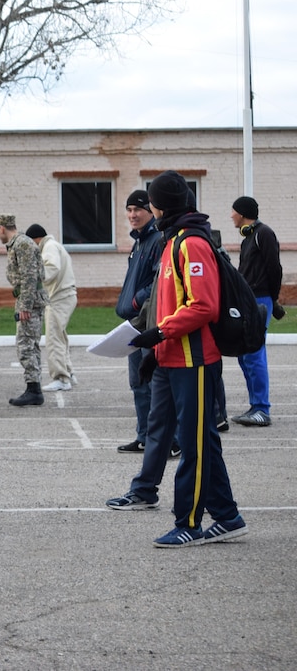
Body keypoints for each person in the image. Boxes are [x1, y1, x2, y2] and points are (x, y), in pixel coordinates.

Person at [123, 170, 247, 547]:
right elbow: (168, 305)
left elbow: (203, 306)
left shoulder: (191, 243)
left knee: (193, 447)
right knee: (204, 442)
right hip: (173, 358)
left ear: (161, 206)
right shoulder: (172, 240)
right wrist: (156, 353)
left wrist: (159, 334)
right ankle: (227, 517)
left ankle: (189, 524)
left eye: (152, 203)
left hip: (193, 361)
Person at [114, 190, 165, 453]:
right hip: (133, 323)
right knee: (138, 383)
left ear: (150, 211)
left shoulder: (157, 239)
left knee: (155, 383)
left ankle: (166, 441)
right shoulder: (139, 242)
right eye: (129, 209)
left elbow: (157, 282)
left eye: (138, 209)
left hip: (148, 321)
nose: (132, 215)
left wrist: (136, 302)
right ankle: (144, 436)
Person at [229, 196, 282, 427]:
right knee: (245, 354)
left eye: (233, 211)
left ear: (242, 213)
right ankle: (255, 406)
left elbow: (275, 268)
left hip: (260, 299)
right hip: (249, 299)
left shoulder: (264, 234)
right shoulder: (248, 237)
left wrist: (272, 298)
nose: (231, 215)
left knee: (254, 353)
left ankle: (262, 409)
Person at [0, 214, 46, 407]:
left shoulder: (22, 244)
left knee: (25, 345)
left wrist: (25, 305)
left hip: (29, 301)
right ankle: (34, 387)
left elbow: (29, 276)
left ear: (1, 228)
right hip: (28, 298)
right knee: (31, 345)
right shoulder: (19, 243)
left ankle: (33, 389)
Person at [24, 224, 78, 392]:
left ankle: (61, 378)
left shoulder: (49, 247)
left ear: (35, 240)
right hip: (64, 296)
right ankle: (69, 372)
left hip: (59, 298)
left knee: (53, 338)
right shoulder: (53, 246)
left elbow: (52, 268)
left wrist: (34, 278)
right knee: (60, 335)